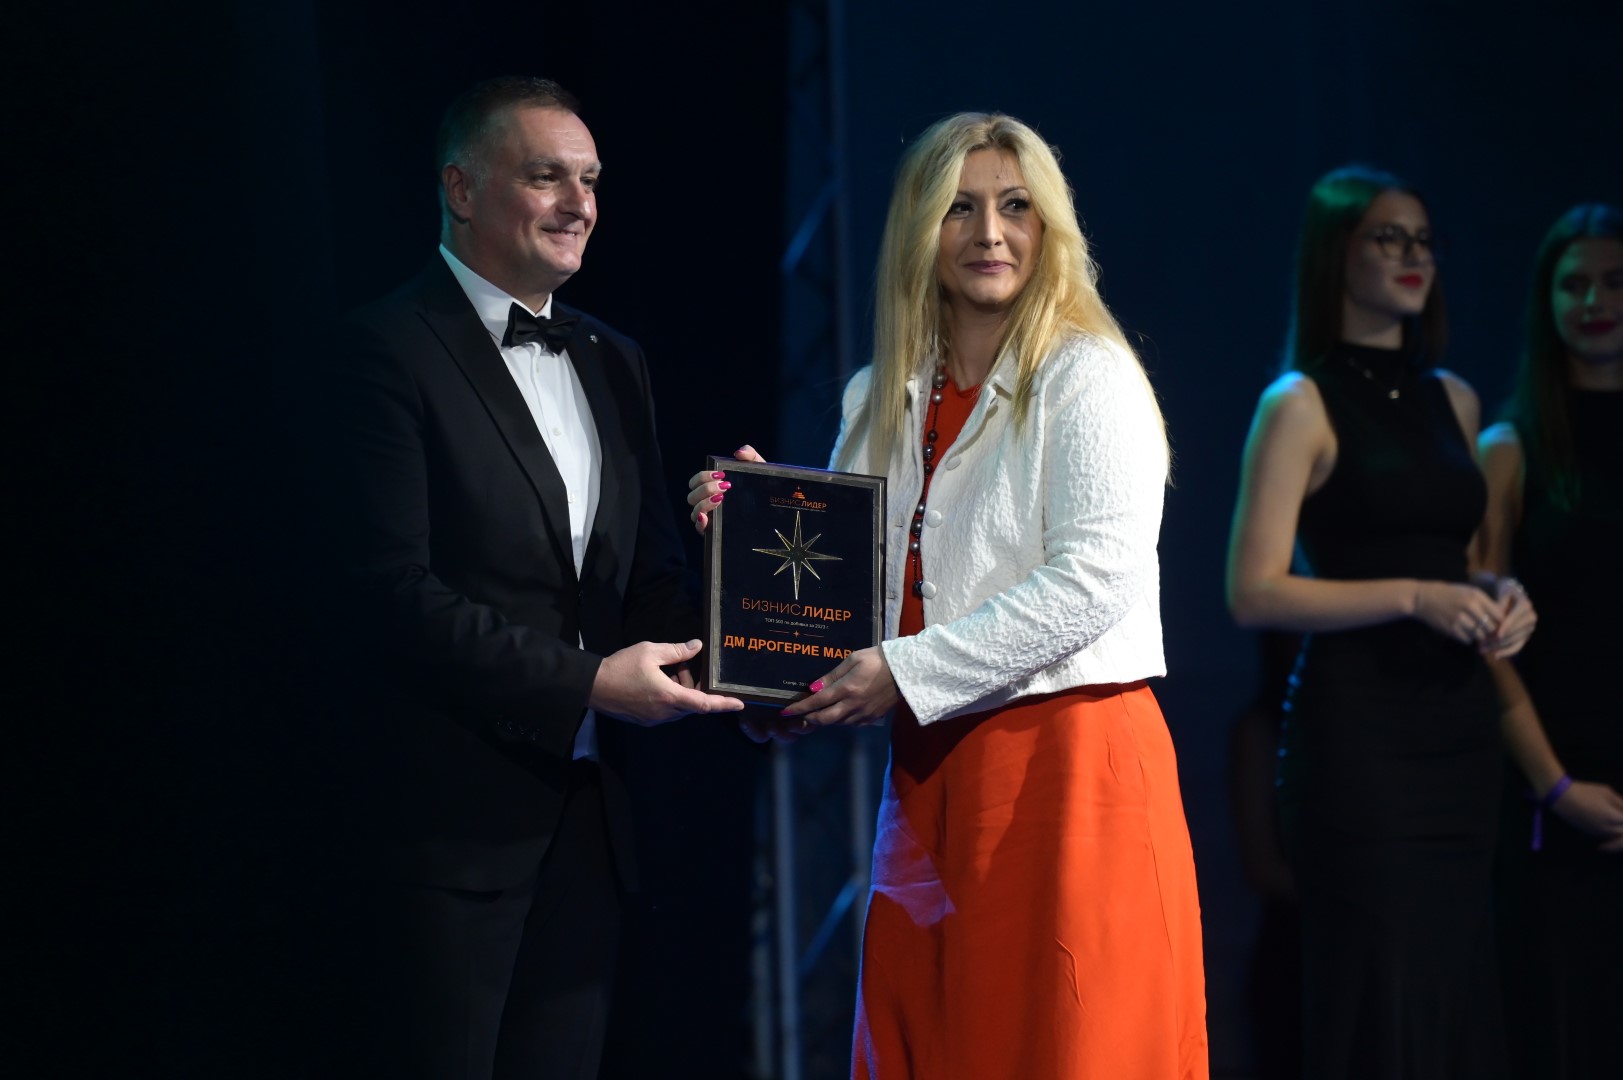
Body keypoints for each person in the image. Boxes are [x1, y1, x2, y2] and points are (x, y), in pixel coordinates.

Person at [692, 113, 1207, 1079]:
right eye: (959, 209)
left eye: (1015, 207)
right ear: (919, 230)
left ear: (1049, 227)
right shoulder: (876, 396)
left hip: (1072, 774)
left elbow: (1098, 579)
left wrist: (900, 671)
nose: (989, 233)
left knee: (1067, 1048)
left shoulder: (1087, 375)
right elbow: (848, 604)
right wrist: (754, 552)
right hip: (932, 782)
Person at [316, 76, 742, 1079]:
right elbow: (389, 596)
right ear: (461, 189)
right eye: (546, 176)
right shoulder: (381, 350)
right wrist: (589, 683)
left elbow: (649, 585)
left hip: (587, 831)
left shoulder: (616, 360)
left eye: (590, 180)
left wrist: (744, 553)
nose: (578, 203)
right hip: (442, 838)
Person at [1226, 165, 1537, 1079]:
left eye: (1423, 241)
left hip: (1459, 735)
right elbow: (1252, 591)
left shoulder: (1455, 399)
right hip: (1359, 741)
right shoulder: (1298, 402)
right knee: (1380, 996)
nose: (1413, 257)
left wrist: (1500, 594)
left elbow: (1464, 563)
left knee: (1457, 993)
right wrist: (1412, 595)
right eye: (1388, 238)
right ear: (1337, 253)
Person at [1477, 203, 1623, 1079]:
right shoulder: (1511, 447)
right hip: (1550, 788)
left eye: (1612, 282)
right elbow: (1486, 636)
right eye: (1573, 285)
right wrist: (1556, 786)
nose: (1593, 301)